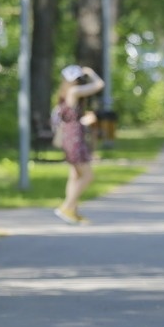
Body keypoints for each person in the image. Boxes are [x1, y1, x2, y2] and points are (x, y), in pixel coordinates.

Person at [53, 64, 105, 224]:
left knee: (75, 175)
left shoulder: (64, 94)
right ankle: (66, 207)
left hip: (70, 138)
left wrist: (83, 121)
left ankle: (72, 211)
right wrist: (91, 72)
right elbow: (99, 85)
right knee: (88, 176)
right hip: (75, 140)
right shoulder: (74, 91)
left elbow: (71, 120)